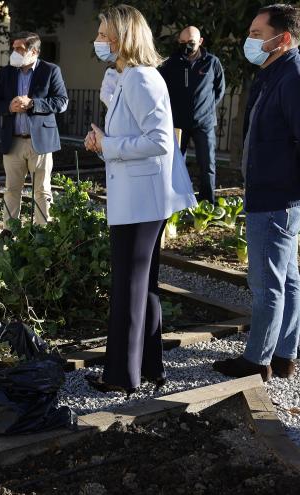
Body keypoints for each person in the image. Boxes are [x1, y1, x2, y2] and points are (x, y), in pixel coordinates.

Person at [84, 4, 197, 396]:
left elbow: (160, 141)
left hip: (141, 202)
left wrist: (109, 144)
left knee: (129, 287)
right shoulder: (129, 76)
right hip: (141, 198)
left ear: (120, 37)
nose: (97, 41)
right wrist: (104, 143)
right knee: (142, 286)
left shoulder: (141, 79)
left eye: (102, 34)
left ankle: (120, 376)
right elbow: (132, 136)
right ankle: (148, 367)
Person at [213, 4, 300, 382]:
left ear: (282, 39)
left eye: (256, 34)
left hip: (276, 197)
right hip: (274, 195)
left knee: (266, 282)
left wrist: (285, 191)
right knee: (288, 278)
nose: (249, 40)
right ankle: (284, 355)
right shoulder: (273, 72)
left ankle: (257, 361)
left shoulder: (292, 75)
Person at [0, 31, 68, 227]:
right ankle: (9, 230)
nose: (15, 52)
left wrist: (33, 103)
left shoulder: (50, 70)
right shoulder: (6, 73)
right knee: (11, 189)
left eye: (19, 48)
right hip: (13, 140)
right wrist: (9, 107)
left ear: (34, 51)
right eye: (13, 48)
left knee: (42, 190)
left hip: (39, 140)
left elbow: (61, 102)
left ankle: (43, 232)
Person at [159, 26, 226, 204]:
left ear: (200, 41)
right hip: (177, 124)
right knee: (172, 165)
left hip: (204, 124)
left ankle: (207, 205)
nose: (186, 46)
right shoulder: (170, 63)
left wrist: (205, 109)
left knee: (207, 165)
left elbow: (219, 90)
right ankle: (172, 204)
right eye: (182, 43)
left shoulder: (212, 62)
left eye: (191, 43)